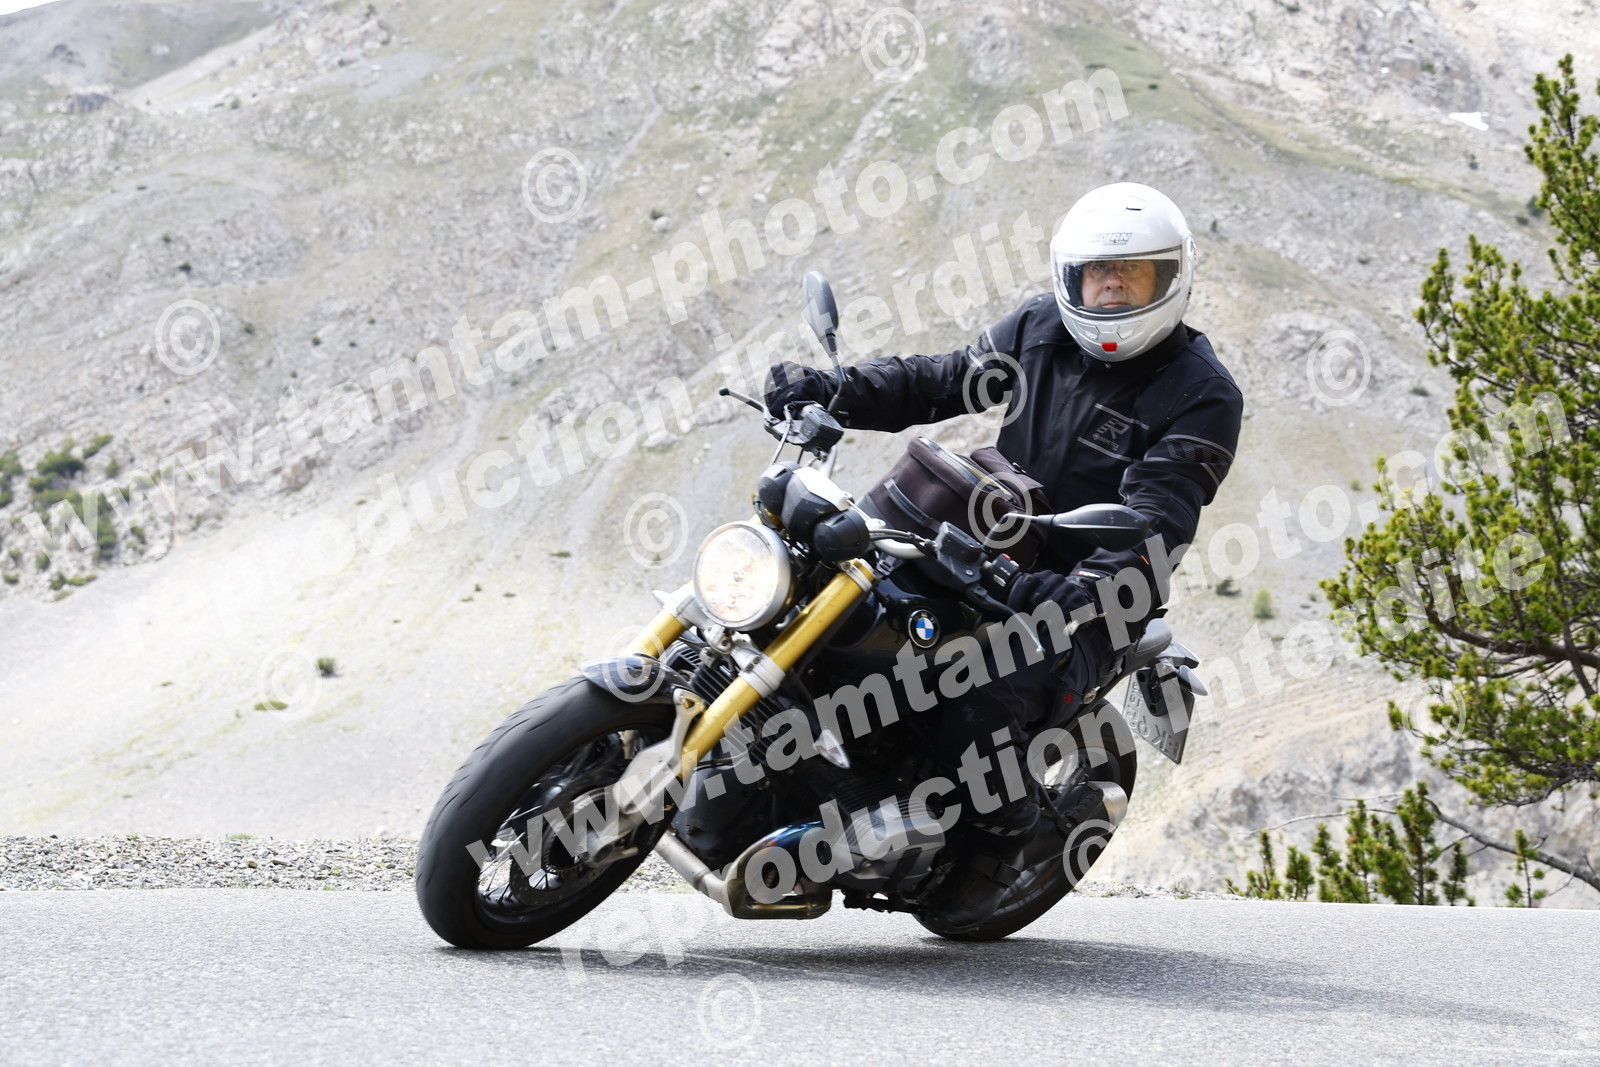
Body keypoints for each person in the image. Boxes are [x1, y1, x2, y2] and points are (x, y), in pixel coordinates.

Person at [764, 182, 1244, 930]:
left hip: (1087, 597)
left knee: (974, 694)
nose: (1112, 288)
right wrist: (835, 389)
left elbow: (1158, 521)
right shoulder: (1040, 327)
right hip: (985, 547)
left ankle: (1009, 835)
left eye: (1133, 274)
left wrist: (1083, 590)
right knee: (836, 601)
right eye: (1098, 272)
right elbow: (940, 380)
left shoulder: (1201, 392)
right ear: (1072, 275)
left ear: (1171, 279)